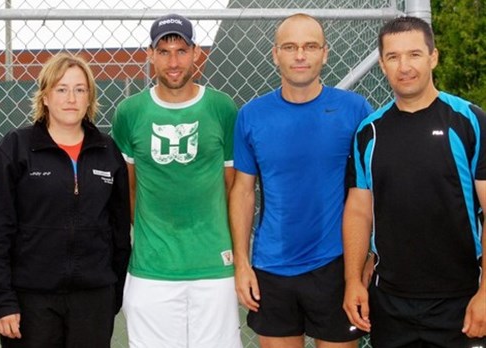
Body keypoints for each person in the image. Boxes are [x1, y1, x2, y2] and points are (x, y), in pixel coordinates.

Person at [230, 13, 373, 348]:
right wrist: (242, 263)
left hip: (336, 266)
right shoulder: (251, 115)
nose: (300, 55)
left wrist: (371, 256)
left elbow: (372, 191)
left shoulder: (355, 110)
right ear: (274, 54)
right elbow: (243, 192)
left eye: (310, 46)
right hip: (271, 266)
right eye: (290, 47)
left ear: (325, 53)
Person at [342, 16, 486, 347]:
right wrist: (352, 280)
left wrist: (485, 293)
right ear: (382, 64)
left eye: (414, 54)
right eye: (393, 57)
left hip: (461, 301)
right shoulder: (369, 131)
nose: (404, 66)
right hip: (390, 303)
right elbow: (359, 211)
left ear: (433, 57)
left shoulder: (469, 122)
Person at [0, 52, 131, 348]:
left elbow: (119, 231)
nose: (71, 98)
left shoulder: (107, 151)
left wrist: (113, 291)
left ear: (89, 98)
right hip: (30, 299)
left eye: (79, 89)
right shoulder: (15, 149)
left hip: (93, 299)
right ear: (45, 96)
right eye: (61, 89)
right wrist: (3, 301)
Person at [111, 13, 242, 348]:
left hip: (213, 267)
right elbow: (129, 189)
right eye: (164, 51)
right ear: (150, 54)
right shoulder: (130, 112)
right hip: (151, 269)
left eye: (181, 51)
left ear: (196, 53)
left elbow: (230, 188)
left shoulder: (221, 108)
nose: (173, 61)